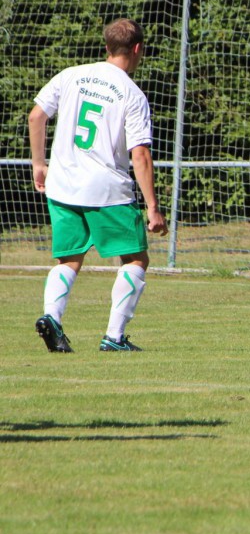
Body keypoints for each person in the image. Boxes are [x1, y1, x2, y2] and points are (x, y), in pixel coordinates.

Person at [28, 18, 167, 352]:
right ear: (138, 49)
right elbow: (141, 154)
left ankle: (52, 318)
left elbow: (36, 116)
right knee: (135, 260)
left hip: (62, 186)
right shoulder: (132, 94)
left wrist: (39, 164)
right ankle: (114, 337)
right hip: (106, 189)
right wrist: (152, 206)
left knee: (69, 260)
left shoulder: (70, 74)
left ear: (106, 47)